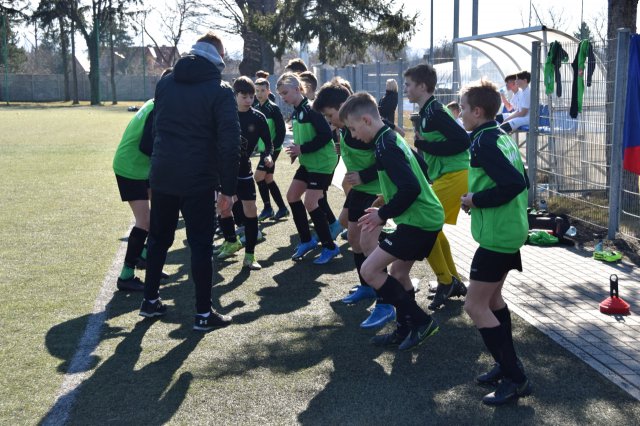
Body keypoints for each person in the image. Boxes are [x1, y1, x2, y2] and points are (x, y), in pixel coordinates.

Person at [139, 32, 240, 332]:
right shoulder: (220, 90)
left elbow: (155, 130)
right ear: (218, 58)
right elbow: (230, 143)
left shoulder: (165, 82)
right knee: (200, 244)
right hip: (197, 178)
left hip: (163, 173)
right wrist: (229, 189)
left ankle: (149, 300)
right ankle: (202, 313)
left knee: (158, 239)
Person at [339, 92, 443, 351]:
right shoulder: (389, 138)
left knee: (369, 271)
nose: (352, 135)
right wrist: (384, 199)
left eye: (352, 128)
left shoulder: (385, 146)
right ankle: (404, 328)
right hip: (422, 218)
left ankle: (421, 322)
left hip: (420, 221)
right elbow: (415, 174)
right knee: (398, 273)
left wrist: (381, 215)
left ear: (366, 120)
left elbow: (411, 188)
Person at [459, 79, 531, 405]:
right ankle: (506, 366)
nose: (460, 116)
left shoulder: (484, 141)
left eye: (462, 110)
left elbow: (515, 182)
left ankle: (515, 377)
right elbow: (523, 179)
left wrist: (476, 199)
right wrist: (477, 199)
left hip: (498, 236)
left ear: (477, 111)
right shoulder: (499, 135)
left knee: (474, 306)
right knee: (492, 301)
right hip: (507, 230)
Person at [314, 80, 395, 329]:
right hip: (359, 192)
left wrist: (364, 176)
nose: (329, 122)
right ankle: (367, 287)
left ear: (342, 108)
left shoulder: (365, 131)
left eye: (330, 115)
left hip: (376, 192)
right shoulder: (348, 129)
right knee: (354, 238)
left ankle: (386, 301)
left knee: (371, 244)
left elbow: (387, 157)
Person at [404, 64, 468, 310]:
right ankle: (453, 281)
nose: (406, 89)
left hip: (456, 175)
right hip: (446, 176)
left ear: (422, 86)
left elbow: (462, 140)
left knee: (423, 224)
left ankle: (445, 281)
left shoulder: (435, 112)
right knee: (434, 230)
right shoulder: (428, 111)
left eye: (409, 85)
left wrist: (426, 146)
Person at [277, 72, 340, 264]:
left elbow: (325, 136)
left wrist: (302, 148)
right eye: (280, 94)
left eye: (285, 92)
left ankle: (330, 247)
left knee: (311, 203)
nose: (283, 97)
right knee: (292, 196)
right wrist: (298, 151)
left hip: (322, 163)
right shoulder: (297, 111)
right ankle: (307, 240)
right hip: (309, 161)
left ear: (297, 89)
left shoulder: (311, 109)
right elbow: (305, 135)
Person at [216, 77, 273, 270]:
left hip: (244, 171)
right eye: (244, 96)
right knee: (223, 208)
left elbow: (269, 144)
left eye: (251, 96)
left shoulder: (258, 117)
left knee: (251, 210)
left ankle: (250, 256)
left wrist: (268, 156)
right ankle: (231, 241)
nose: (249, 100)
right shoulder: (225, 115)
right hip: (223, 170)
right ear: (235, 96)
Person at [254, 77, 289, 221]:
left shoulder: (273, 108)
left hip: (272, 150)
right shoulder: (256, 108)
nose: (259, 93)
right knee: (268, 178)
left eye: (263, 90)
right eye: (257, 90)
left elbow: (281, 131)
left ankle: (268, 208)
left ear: (268, 91)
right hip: (264, 150)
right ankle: (282, 208)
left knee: (258, 177)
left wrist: (272, 151)